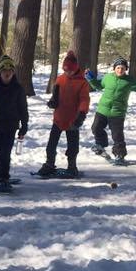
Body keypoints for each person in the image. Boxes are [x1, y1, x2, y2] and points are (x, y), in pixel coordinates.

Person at [84, 57, 136, 165]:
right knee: (96, 128)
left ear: (126, 69)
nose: (120, 70)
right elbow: (99, 86)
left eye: (123, 68)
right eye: (118, 67)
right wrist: (91, 79)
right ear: (114, 68)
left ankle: (120, 155)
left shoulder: (129, 81)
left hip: (118, 112)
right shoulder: (108, 78)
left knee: (117, 135)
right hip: (103, 109)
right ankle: (100, 144)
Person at [37, 50, 90, 179]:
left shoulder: (82, 82)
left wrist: (82, 114)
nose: (68, 73)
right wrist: (52, 102)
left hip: (73, 119)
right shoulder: (60, 79)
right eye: (66, 70)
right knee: (51, 144)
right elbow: (55, 96)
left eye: (70, 70)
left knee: (72, 146)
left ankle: (72, 166)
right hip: (59, 118)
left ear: (76, 68)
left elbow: (84, 99)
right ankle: (49, 164)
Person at [0, 55, 28, 192]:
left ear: (13, 72)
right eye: (4, 71)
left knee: (5, 153)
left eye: (10, 71)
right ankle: (1, 172)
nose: (7, 73)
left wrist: (24, 125)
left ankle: (3, 177)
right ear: (0, 72)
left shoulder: (18, 89)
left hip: (11, 126)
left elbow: (23, 108)